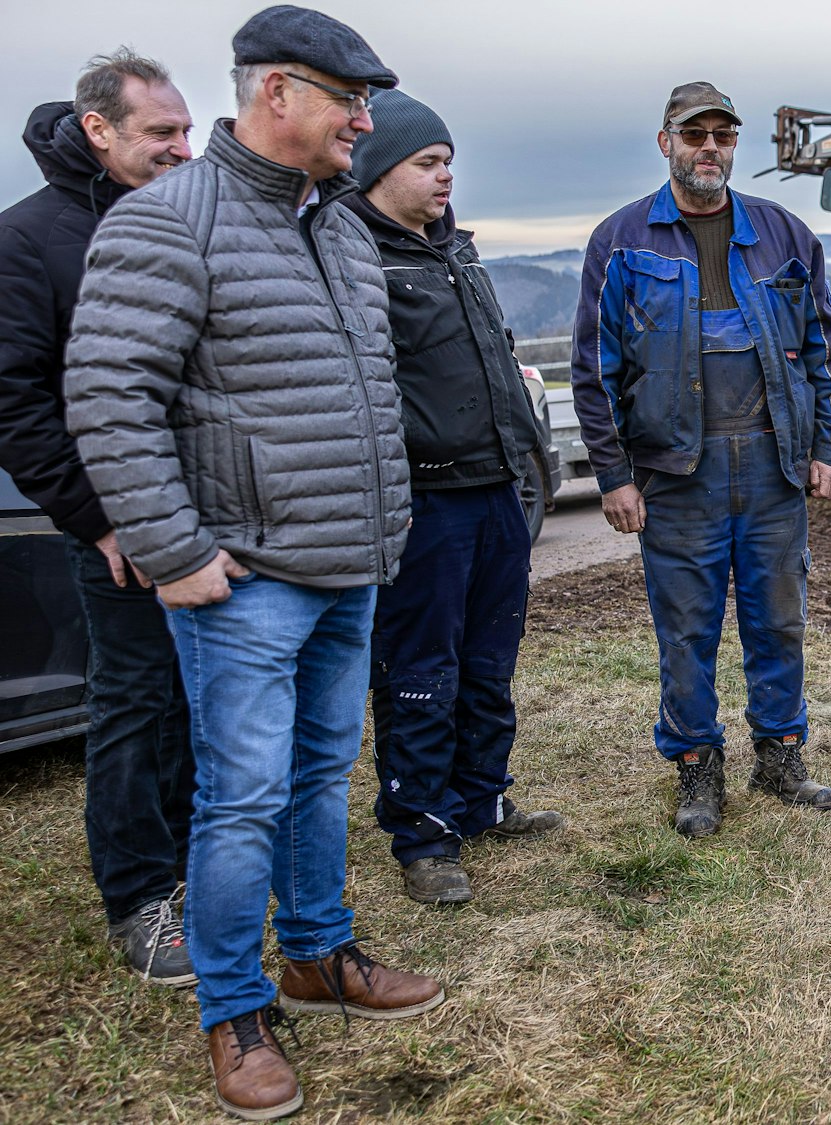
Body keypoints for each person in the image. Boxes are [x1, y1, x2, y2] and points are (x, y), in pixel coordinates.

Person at [65, 7, 443, 1119]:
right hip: (244, 580)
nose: (364, 122)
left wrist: (384, 534)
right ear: (277, 91)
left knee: (322, 776)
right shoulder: (168, 219)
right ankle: (232, 1008)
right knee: (240, 802)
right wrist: (174, 550)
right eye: (349, 100)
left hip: (345, 564)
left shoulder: (333, 224)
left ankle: (318, 957)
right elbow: (107, 394)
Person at [571, 80, 831, 839]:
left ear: (735, 146)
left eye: (723, 136)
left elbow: (828, 347)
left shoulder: (785, 234)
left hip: (771, 468)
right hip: (676, 473)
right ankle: (697, 764)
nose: (709, 148)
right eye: (693, 134)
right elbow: (594, 370)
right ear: (665, 142)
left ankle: (781, 753)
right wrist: (615, 475)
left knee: (780, 618)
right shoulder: (622, 241)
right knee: (687, 627)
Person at [0, 49, 197, 986]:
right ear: (98, 129)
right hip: (119, 526)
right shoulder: (29, 239)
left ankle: (203, 869)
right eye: (162, 133)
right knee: (135, 703)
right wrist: (104, 521)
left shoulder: (184, 220)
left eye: (188, 130)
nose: (182, 148)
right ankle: (141, 898)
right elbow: (15, 403)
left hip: (214, 518)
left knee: (205, 704)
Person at [342, 88, 564, 906]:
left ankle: (481, 800)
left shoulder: (455, 252)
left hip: (495, 491)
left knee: (488, 659)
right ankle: (423, 832)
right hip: (423, 505)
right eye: (428, 164)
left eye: (448, 165)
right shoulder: (357, 259)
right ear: (376, 167)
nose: (445, 180)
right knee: (418, 670)